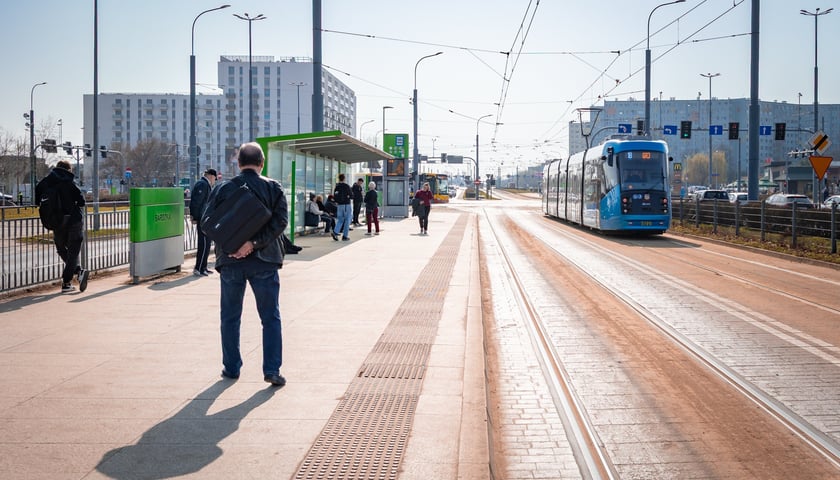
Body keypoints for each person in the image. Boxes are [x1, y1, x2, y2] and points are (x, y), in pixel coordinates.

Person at [202, 142, 289, 387]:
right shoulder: (273, 188)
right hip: (265, 261)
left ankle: (231, 368)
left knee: (230, 316)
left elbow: (207, 222)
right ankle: (272, 370)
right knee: (270, 317)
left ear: (238, 164)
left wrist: (234, 246)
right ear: (262, 163)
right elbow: (280, 222)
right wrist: (253, 244)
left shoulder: (222, 188)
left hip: (230, 262)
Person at [35, 160, 89, 294]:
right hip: (74, 221)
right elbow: (82, 201)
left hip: (56, 222)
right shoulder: (70, 182)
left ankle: (77, 272)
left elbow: (37, 200)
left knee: (61, 249)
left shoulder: (45, 182)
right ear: (68, 170)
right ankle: (67, 282)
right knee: (73, 251)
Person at [189, 168, 218, 276]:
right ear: (211, 176)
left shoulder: (204, 185)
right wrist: (195, 216)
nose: (214, 181)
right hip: (203, 219)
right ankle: (199, 268)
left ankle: (203, 267)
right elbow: (197, 202)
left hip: (205, 218)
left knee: (206, 243)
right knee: (204, 244)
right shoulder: (203, 185)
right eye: (215, 178)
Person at [332, 173, 353, 241]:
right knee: (347, 220)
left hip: (339, 205)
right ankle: (345, 236)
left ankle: (335, 232)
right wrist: (348, 196)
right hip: (346, 205)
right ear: (344, 179)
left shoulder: (337, 186)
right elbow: (352, 195)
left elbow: (335, 196)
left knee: (340, 220)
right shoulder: (346, 186)